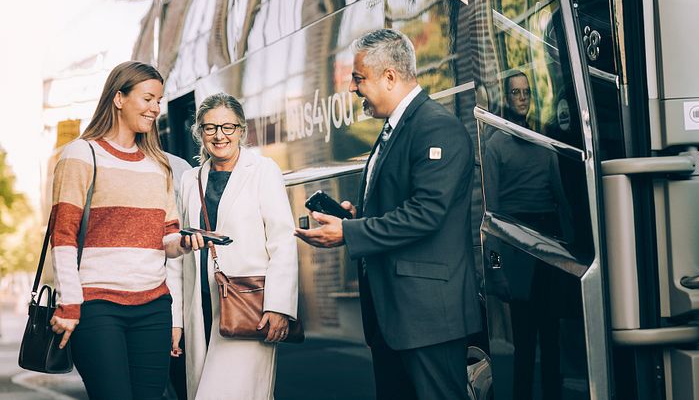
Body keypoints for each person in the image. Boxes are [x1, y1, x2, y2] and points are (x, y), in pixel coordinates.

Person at [295, 29, 481, 400]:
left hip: (428, 318)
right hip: (394, 316)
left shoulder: (436, 127)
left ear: (390, 77)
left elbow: (427, 213)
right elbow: (400, 205)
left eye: (359, 78)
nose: (352, 88)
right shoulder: (393, 129)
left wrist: (350, 233)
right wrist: (355, 218)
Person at [48, 61, 189, 400]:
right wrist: (70, 304)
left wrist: (185, 242)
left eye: (159, 100)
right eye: (148, 99)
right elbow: (63, 237)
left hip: (153, 305)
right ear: (119, 98)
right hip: (98, 306)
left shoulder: (160, 165)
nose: (156, 108)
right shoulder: (81, 154)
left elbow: (167, 240)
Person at [173, 92, 299, 400]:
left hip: (248, 308)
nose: (219, 135)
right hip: (201, 307)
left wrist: (278, 307)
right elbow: (175, 257)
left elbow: (282, 242)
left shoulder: (263, 170)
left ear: (241, 130)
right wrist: (176, 321)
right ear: (199, 132)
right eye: (210, 127)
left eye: (228, 127)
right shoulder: (190, 180)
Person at [482, 70, 575, 400]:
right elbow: (490, 217)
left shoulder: (543, 143)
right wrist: (494, 271)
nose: (522, 98)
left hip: (550, 246)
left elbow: (561, 201)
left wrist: (572, 257)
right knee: (524, 342)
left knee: (552, 338)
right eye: (515, 93)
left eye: (526, 93)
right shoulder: (494, 148)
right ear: (506, 99)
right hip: (516, 250)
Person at [165, 152, 193, 400]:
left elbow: (178, 256)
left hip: (166, 300)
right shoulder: (94, 157)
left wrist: (176, 321)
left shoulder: (178, 168)